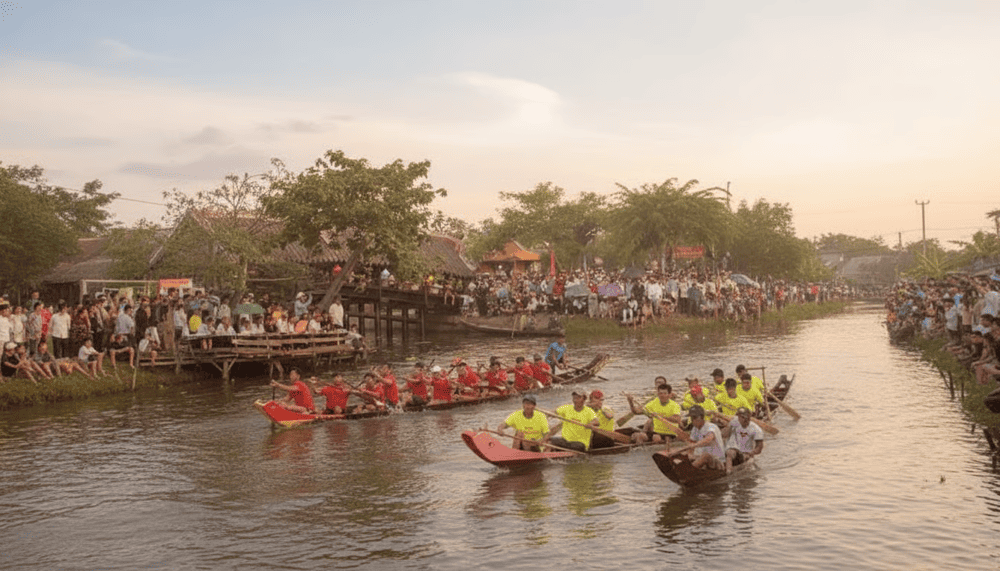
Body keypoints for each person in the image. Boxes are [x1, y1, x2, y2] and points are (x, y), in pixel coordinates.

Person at [722, 406, 765, 474]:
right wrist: (727, 428)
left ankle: (729, 473)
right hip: (732, 451)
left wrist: (752, 452)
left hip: (745, 453)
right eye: (739, 416)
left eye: (743, 417)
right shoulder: (734, 422)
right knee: (730, 452)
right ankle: (728, 471)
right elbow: (725, 435)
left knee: (734, 454)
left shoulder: (756, 429)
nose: (740, 419)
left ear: (748, 418)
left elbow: (759, 447)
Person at [686, 405, 726, 471]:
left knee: (706, 455)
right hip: (702, 459)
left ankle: (689, 471)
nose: (693, 420)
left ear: (702, 417)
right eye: (692, 418)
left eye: (695, 418)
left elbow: (708, 440)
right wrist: (689, 454)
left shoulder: (711, 426)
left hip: (717, 460)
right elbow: (690, 445)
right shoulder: (694, 429)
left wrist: (694, 445)